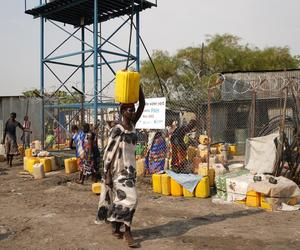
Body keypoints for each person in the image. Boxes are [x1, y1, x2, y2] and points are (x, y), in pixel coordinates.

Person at [96, 87, 145, 247]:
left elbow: (142, 104)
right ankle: (128, 232)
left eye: (133, 110)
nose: (132, 112)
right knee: (133, 199)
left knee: (120, 199)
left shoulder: (132, 124)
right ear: (123, 111)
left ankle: (115, 225)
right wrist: (107, 175)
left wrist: (138, 87)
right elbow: (108, 153)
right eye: (129, 110)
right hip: (117, 171)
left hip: (130, 170)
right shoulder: (117, 129)